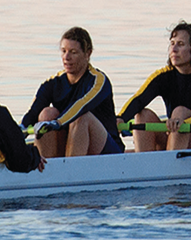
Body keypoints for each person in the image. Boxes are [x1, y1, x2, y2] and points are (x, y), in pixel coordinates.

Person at [120, 22, 191, 152]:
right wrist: (120, 118)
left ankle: (170, 166)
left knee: (180, 112)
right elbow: (139, 99)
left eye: (180, 44)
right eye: (172, 44)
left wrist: (184, 123)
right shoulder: (163, 75)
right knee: (142, 115)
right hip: (175, 134)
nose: (173, 50)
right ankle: (144, 164)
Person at [22, 26, 123, 156]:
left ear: (88, 54)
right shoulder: (54, 82)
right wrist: (18, 131)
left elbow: (81, 106)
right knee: (46, 113)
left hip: (107, 150)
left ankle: (70, 171)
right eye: (63, 51)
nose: (66, 57)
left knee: (81, 118)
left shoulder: (98, 81)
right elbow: (33, 112)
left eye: (73, 52)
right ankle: (46, 170)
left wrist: (57, 123)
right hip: (72, 144)